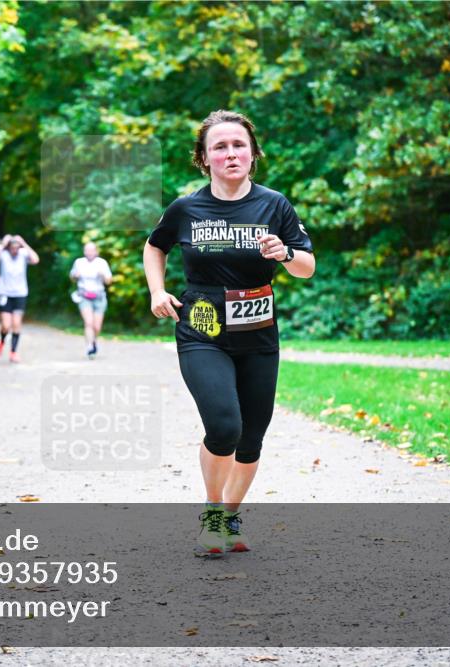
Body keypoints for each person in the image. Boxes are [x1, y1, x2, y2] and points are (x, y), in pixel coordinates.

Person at [143, 110, 315, 555]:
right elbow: (154, 245)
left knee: (252, 436)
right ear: (204, 158)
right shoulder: (186, 208)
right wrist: (156, 290)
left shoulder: (274, 205)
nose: (230, 153)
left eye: (238, 144)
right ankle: (213, 512)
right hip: (202, 330)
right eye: (219, 146)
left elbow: (307, 268)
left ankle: (230, 517)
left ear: (253, 153)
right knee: (224, 426)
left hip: (258, 333)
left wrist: (284, 252)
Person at [0, 234, 40, 363]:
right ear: (9, 247)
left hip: (20, 293)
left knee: (16, 324)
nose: (15, 249)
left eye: (17, 247)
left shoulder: (23, 254)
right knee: (6, 325)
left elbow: (35, 259)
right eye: (12, 247)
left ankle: (13, 352)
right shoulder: (3, 255)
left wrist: (24, 243)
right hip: (5, 293)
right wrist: (4, 243)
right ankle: (1, 341)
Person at [69, 241, 113, 359]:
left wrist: (103, 275)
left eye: (91, 250)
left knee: (97, 327)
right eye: (87, 250)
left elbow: (109, 281)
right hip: (84, 296)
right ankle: (89, 346)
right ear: (84, 251)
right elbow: (72, 277)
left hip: (99, 297)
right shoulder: (79, 262)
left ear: (96, 252)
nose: (89, 252)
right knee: (89, 322)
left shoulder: (102, 263)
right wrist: (75, 276)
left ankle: (93, 342)